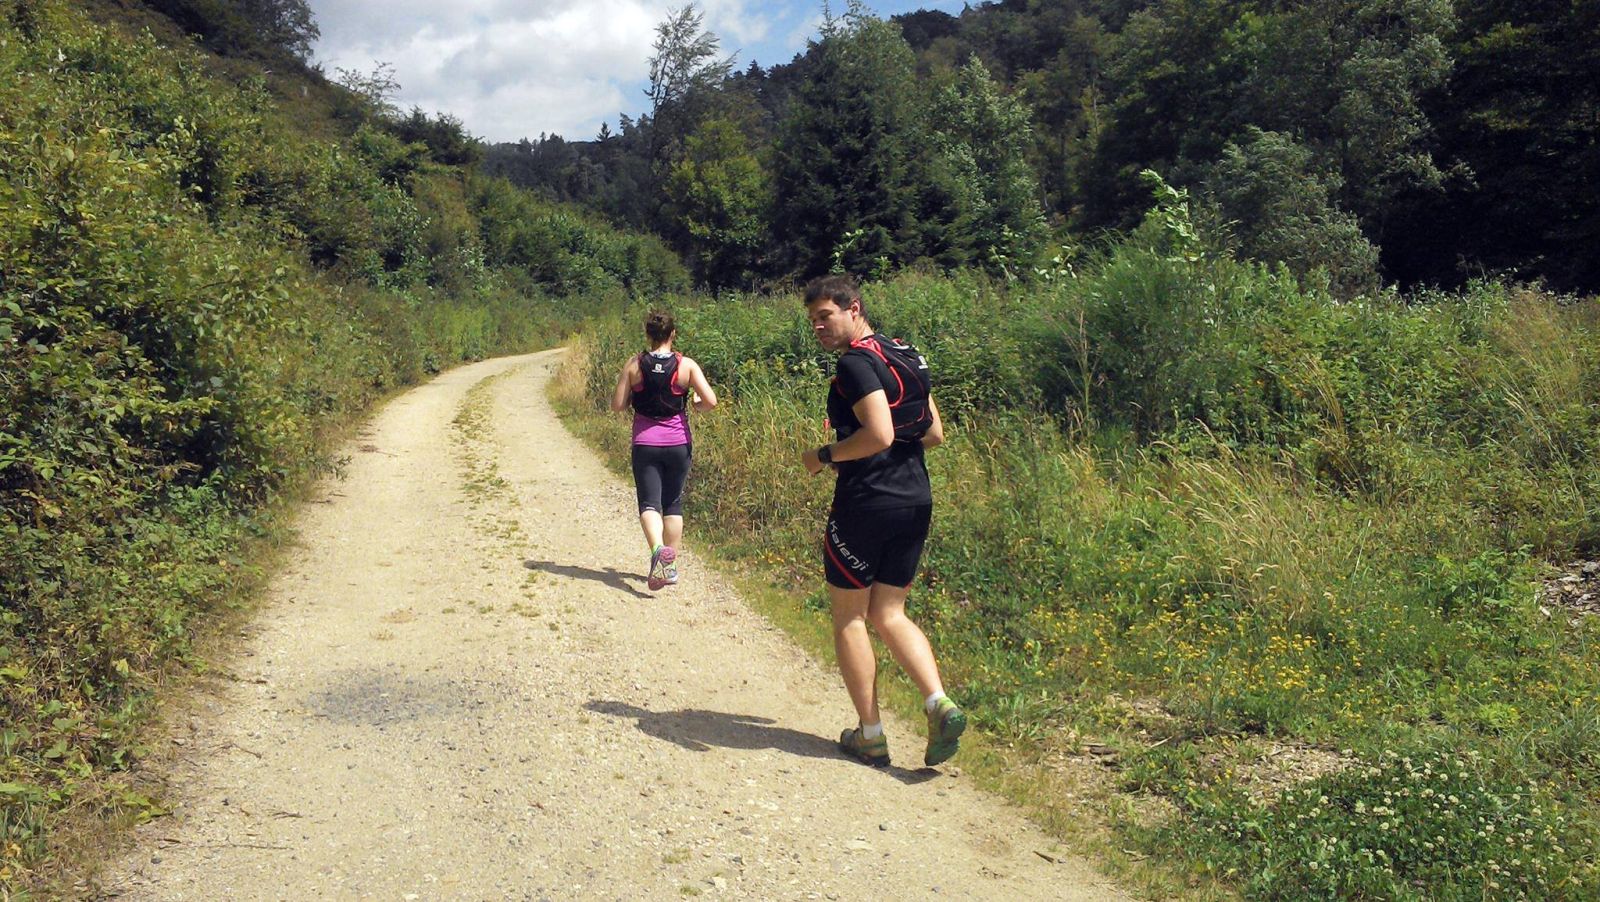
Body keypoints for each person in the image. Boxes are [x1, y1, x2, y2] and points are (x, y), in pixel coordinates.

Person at [798, 275, 966, 768]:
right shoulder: (906, 353)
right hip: (915, 498)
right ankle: (939, 703)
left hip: (866, 501)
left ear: (854, 308)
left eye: (826, 316)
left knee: (850, 616)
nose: (818, 327)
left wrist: (824, 455)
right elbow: (933, 433)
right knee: (890, 612)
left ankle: (870, 734)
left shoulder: (855, 362)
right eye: (812, 321)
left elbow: (879, 434)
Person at [611, 310, 717, 591]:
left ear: (648, 334)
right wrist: (695, 403)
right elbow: (711, 401)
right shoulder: (686, 365)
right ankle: (667, 569)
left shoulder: (634, 364)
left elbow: (618, 405)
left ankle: (658, 549)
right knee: (672, 503)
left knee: (649, 503)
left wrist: (633, 396)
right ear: (673, 334)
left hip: (645, 442)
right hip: (678, 443)